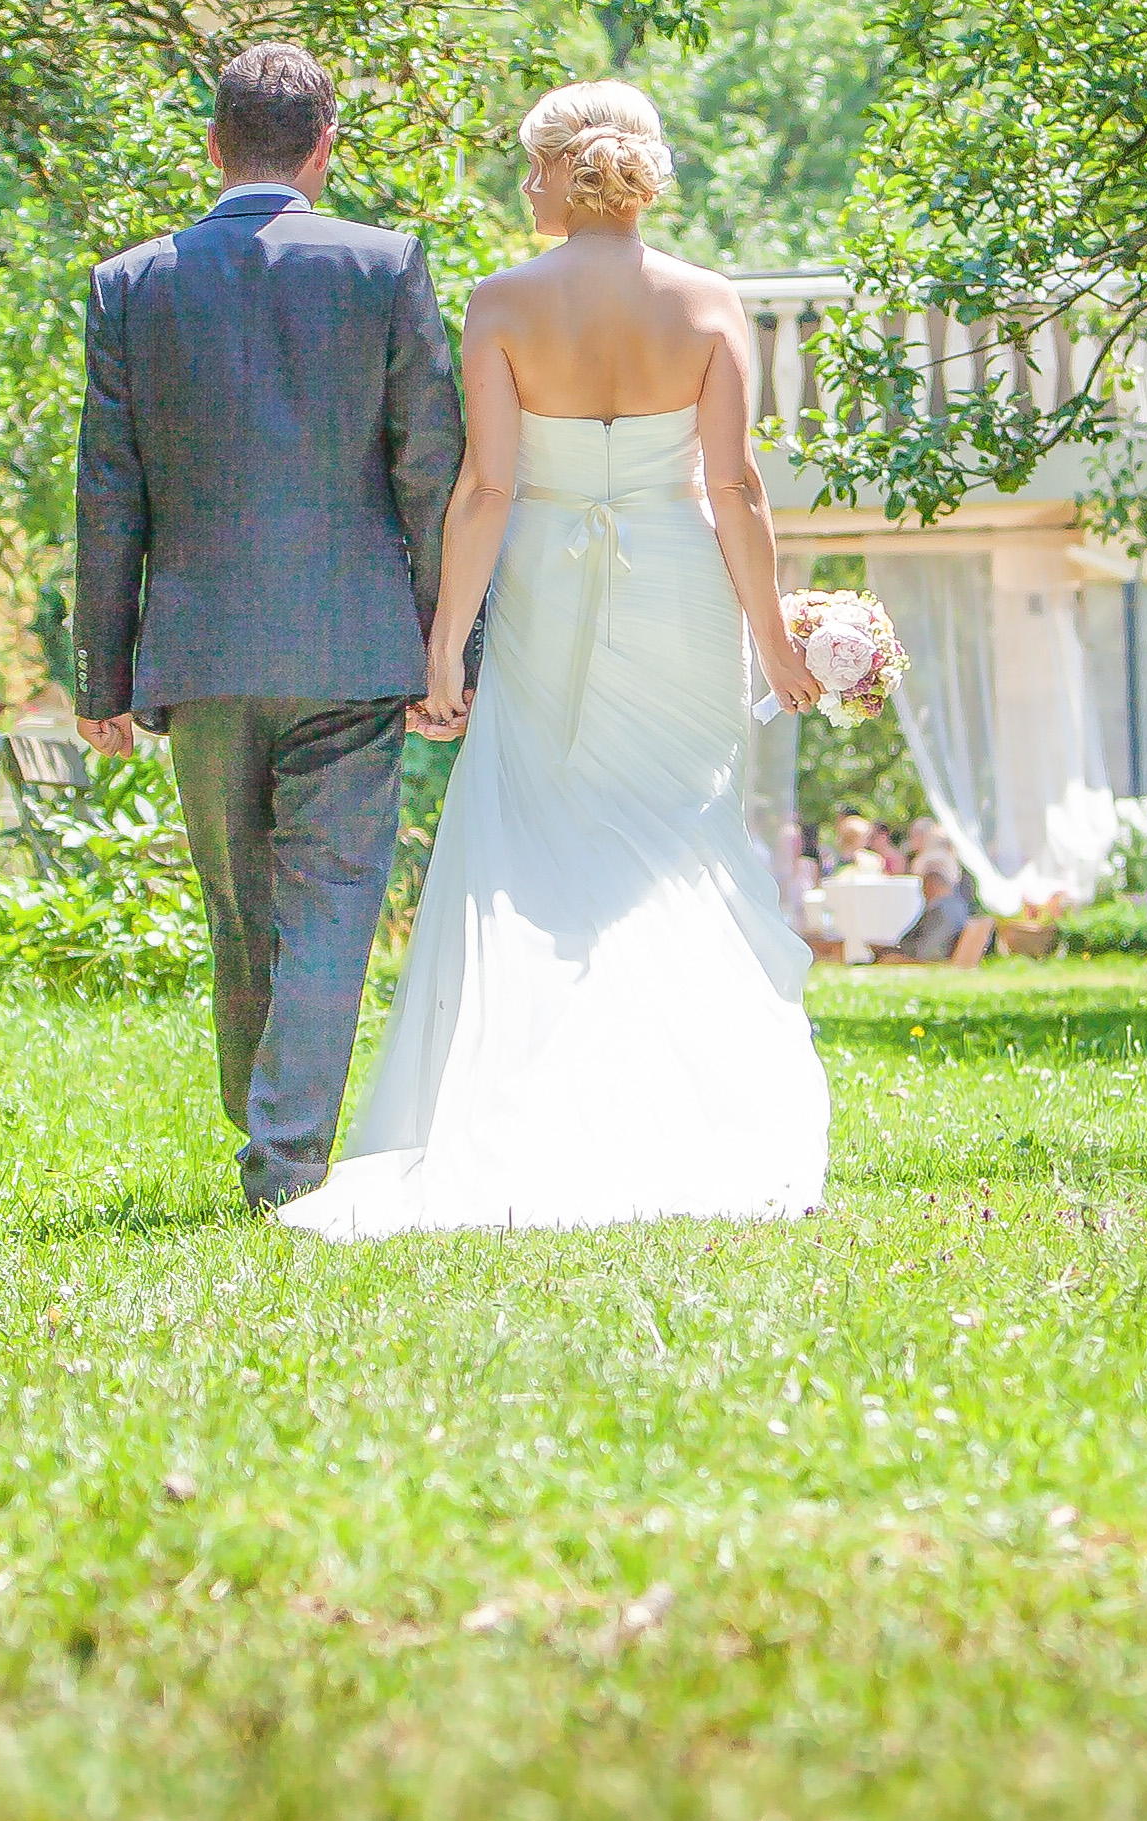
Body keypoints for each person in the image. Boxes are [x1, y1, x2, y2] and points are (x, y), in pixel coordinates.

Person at [271, 81, 837, 1241]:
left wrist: (443, 650)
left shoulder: (502, 302)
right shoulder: (708, 301)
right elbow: (733, 489)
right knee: (679, 842)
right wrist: (774, 640)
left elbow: (484, 489)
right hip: (680, 590)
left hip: (541, 583)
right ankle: (695, 1118)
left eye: (526, 168)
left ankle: (538, 1113)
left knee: (539, 849)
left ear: (556, 174)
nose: (520, 186)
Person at [74, 44, 462, 1213]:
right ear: (324, 148)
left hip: (199, 650)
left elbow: (108, 491)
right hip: (355, 640)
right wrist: (454, 643)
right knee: (327, 899)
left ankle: (279, 1148)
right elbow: (430, 468)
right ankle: (279, 1132)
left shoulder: (130, 282)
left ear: (212, 144)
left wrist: (103, 665)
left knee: (241, 899)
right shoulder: (384, 264)